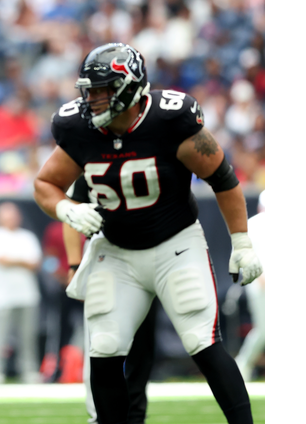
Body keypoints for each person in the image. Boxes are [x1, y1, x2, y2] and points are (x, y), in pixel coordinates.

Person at [33, 43, 263, 424]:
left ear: (131, 87)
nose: (92, 100)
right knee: (105, 347)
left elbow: (223, 179)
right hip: (116, 249)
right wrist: (66, 208)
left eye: (103, 90)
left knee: (200, 340)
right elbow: (45, 183)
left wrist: (241, 241)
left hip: (176, 243)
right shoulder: (77, 126)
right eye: (89, 91)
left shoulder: (171, 119)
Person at [63, 176, 157, 424]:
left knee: (141, 343)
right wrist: (74, 264)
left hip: (150, 253)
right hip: (105, 254)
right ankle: (100, 415)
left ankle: (135, 415)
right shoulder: (91, 160)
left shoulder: (150, 153)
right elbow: (70, 208)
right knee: (100, 340)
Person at [0, 201, 42, 385]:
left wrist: (14, 261)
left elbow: (35, 263)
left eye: (14, 214)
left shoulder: (28, 236)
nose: (11, 218)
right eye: (7, 215)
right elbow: (1, 259)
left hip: (28, 295)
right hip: (2, 296)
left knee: (28, 336)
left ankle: (29, 370)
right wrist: (22, 261)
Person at [234, 190, 266, 381]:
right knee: (264, 329)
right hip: (259, 285)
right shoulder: (254, 224)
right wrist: (259, 275)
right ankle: (242, 366)